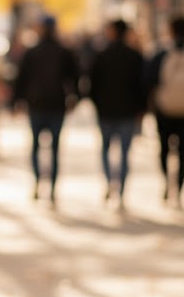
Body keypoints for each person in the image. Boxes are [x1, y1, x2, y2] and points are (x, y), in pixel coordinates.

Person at [12, 14, 79, 203]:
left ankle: (37, 182)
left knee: (35, 146)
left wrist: (17, 101)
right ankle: (52, 189)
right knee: (55, 148)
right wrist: (75, 99)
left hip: (36, 105)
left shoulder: (32, 52)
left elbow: (21, 79)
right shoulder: (64, 52)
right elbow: (74, 77)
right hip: (57, 105)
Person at [88, 18, 146, 204]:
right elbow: (142, 85)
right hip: (128, 112)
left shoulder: (102, 55)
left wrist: (96, 104)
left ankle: (110, 181)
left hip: (106, 111)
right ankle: (120, 188)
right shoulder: (135, 56)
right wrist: (141, 109)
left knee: (106, 149)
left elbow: (92, 85)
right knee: (124, 152)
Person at [144, 14, 184, 204]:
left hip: (164, 110)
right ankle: (180, 185)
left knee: (164, 148)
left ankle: (167, 182)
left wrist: (149, 106)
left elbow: (149, 81)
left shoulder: (161, 53)